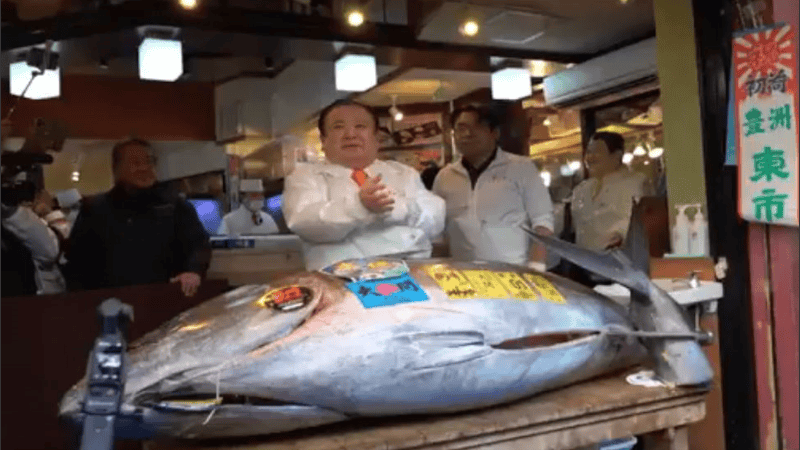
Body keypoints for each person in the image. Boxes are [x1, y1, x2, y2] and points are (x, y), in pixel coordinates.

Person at [283, 99, 446, 271]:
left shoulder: (404, 173)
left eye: (360, 126)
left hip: (410, 270)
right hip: (340, 276)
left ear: (376, 138)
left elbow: (435, 219)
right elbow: (304, 223)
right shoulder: (304, 177)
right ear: (323, 140)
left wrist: (398, 207)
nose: (350, 134)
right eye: (338, 127)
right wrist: (359, 206)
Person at [64, 138, 211, 297]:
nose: (144, 168)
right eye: (135, 163)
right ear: (116, 169)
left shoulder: (175, 206)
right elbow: (77, 262)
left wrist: (193, 271)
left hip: (167, 298)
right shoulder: (95, 209)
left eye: (149, 161)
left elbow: (198, 245)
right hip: (110, 302)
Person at [432, 105, 554, 269]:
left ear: (494, 133)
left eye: (477, 126)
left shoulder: (521, 168)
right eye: (461, 128)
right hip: (463, 273)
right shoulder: (445, 177)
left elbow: (543, 222)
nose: (468, 134)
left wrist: (536, 267)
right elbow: (437, 231)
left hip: (513, 271)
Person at [570, 131, 655, 252]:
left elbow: (646, 223)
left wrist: (620, 238)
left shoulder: (635, 183)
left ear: (616, 156)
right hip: (584, 259)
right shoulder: (581, 190)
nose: (589, 157)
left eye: (597, 151)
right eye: (588, 152)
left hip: (622, 257)